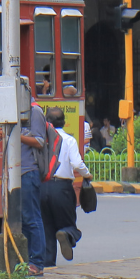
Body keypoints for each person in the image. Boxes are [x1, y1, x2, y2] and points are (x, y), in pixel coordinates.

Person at [0, 97, 49, 275]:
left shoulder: (35, 112)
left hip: (28, 171)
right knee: (22, 219)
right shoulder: (8, 111)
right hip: (12, 173)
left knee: (32, 218)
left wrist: (16, 136)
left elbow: (40, 141)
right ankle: (25, 261)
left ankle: (37, 262)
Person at [39, 107, 91, 267]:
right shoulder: (69, 140)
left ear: (47, 122)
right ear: (64, 122)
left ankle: (48, 265)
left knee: (46, 227)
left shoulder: (41, 140)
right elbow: (77, 163)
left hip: (41, 188)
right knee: (68, 223)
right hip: (61, 188)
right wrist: (87, 174)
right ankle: (66, 233)